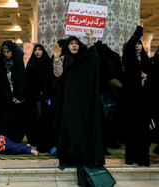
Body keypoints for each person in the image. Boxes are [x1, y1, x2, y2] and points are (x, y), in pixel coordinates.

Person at [51, 31, 105, 171]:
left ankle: (83, 158)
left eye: (76, 43)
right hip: (67, 102)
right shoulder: (63, 59)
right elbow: (58, 75)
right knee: (67, 130)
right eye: (71, 43)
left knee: (83, 130)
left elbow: (95, 60)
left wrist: (91, 42)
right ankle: (66, 160)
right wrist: (56, 59)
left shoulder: (84, 58)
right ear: (67, 46)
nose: (74, 46)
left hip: (83, 103)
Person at [120, 19, 153, 166]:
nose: (138, 46)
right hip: (131, 101)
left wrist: (148, 76)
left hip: (145, 103)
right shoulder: (129, 59)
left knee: (144, 132)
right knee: (132, 131)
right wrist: (139, 30)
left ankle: (143, 159)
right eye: (135, 44)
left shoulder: (147, 61)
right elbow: (131, 44)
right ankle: (131, 157)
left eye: (140, 44)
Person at [25, 43, 54, 152]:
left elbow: (50, 79)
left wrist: (45, 91)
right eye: (36, 50)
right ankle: (35, 140)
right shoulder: (31, 64)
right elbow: (28, 81)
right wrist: (38, 90)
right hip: (34, 98)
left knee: (46, 118)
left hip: (47, 97)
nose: (37, 52)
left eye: (39, 49)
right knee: (35, 119)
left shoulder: (48, 63)